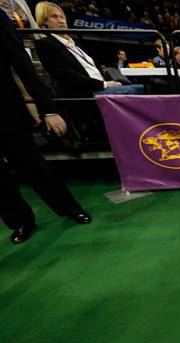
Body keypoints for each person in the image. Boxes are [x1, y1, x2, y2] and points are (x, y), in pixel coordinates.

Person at [0, 10, 91, 244]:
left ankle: (69, 208)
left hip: (5, 108)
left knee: (33, 164)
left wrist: (48, 109)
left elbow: (21, 64)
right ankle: (20, 221)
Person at [34, 1, 144, 97]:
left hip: (103, 87)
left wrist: (109, 82)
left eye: (62, 17)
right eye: (54, 16)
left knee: (150, 88)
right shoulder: (45, 44)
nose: (60, 20)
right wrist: (104, 84)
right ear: (44, 21)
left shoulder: (74, 43)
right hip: (87, 94)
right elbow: (67, 76)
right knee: (141, 90)